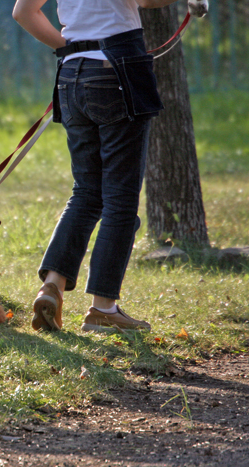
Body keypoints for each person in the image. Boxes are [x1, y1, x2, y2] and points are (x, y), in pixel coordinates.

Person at [12, 0, 183, 333]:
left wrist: (73, 46)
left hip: (72, 74)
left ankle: (52, 285)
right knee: (120, 199)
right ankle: (103, 308)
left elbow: (23, 12)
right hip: (117, 69)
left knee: (86, 192)